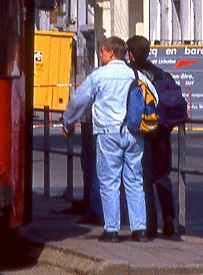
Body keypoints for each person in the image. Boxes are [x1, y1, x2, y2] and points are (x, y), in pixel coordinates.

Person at [62, 35, 148, 242]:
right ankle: (140, 229)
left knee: (109, 181)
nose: (100, 55)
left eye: (101, 51)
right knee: (135, 180)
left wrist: (68, 122)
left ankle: (111, 230)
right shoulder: (136, 74)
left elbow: (79, 100)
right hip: (134, 134)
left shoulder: (99, 76)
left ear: (110, 53)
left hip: (108, 133)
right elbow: (152, 96)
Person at [127, 34, 177, 239]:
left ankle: (149, 224)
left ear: (130, 54)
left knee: (144, 179)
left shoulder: (131, 74)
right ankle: (169, 217)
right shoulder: (162, 73)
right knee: (162, 176)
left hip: (144, 132)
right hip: (162, 133)